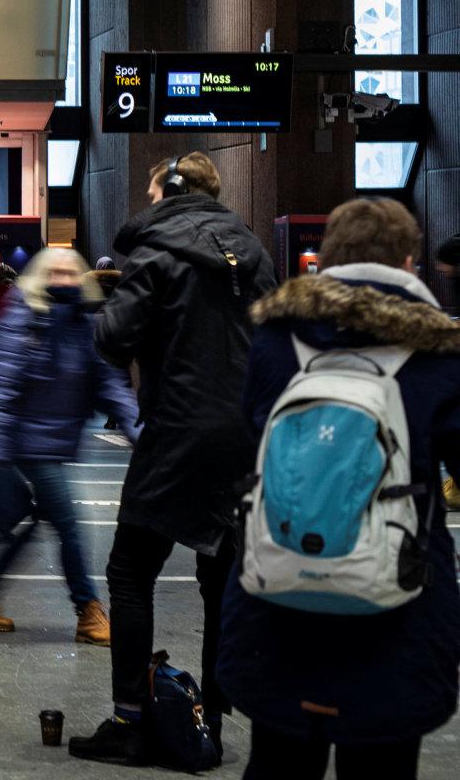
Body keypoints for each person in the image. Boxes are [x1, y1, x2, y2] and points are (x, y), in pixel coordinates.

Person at [217, 199, 460, 780]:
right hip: (397, 601)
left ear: (324, 258)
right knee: (382, 762)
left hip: (280, 582)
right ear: (409, 261)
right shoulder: (440, 351)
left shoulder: (277, 340)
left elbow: (251, 435)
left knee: (278, 760)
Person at [71, 152, 276, 764]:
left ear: (170, 192)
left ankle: (130, 721)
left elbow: (114, 342)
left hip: (178, 429)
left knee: (131, 571)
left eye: (154, 190)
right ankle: (208, 719)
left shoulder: (156, 251)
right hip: (244, 434)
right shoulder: (257, 256)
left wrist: (106, 301)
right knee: (220, 579)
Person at [0, 248, 136, 644]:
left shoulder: (83, 324)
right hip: (27, 442)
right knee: (70, 524)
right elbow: (0, 386)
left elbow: (108, 383)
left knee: (37, 521)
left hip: (56, 442)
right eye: (53, 273)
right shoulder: (22, 320)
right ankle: (88, 610)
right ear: (38, 277)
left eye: (70, 273)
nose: (63, 280)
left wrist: (138, 429)